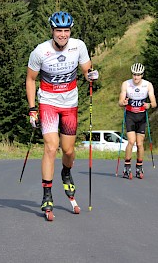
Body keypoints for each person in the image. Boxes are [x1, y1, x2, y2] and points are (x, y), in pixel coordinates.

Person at [26, 11, 99, 221]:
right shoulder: (40, 51)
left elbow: (86, 69)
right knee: (50, 146)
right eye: (59, 30)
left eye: (66, 31)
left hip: (70, 103)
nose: (63, 35)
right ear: (52, 31)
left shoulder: (79, 46)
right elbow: (31, 80)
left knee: (68, 150)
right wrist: (32, 109)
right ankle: (47, 195)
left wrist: (91, 75)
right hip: (48, 102)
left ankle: (66, 172)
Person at [118, 62, 156, 179]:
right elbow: (120, 102)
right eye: (134, 74)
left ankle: (139, 167)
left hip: (141, 117)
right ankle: (127, 167)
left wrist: (148, 105)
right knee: (131, 141)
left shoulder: (148, 85)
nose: (136, 77)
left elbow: (154, 103)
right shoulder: (126, 84)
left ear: (142, 75)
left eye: (138, 75)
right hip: (130, 116)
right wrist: (123, 102)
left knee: (140, 144)